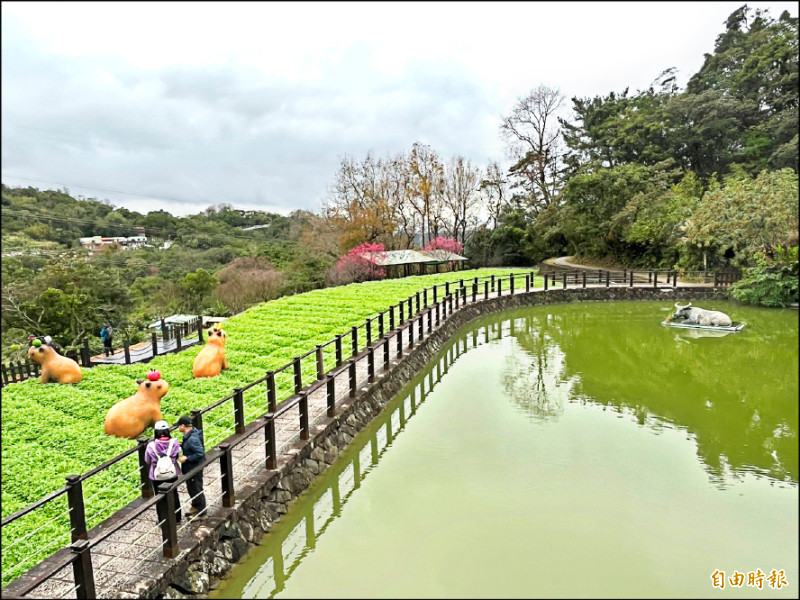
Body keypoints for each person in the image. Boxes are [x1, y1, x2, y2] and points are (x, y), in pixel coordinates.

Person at [144, 420, 182, 524]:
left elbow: (147, 460)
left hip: (157, 475)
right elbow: (178, 456)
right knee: (174, 494)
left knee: (159, 497)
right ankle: (177, 518)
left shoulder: (151, 446)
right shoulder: (174, 442)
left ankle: (162, 519)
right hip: (172, 473)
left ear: (156, 432)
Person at [175, 415, 207, 518]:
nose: (178, 427)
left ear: (183, 426)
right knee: (192, 488)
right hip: (191, 468)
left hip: (194, 468)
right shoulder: (189, 436)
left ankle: (201, 512)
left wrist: (187, 458)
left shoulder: (192, 439)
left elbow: (200, 453)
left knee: (196, 488)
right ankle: (195, 506)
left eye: (179, 426)